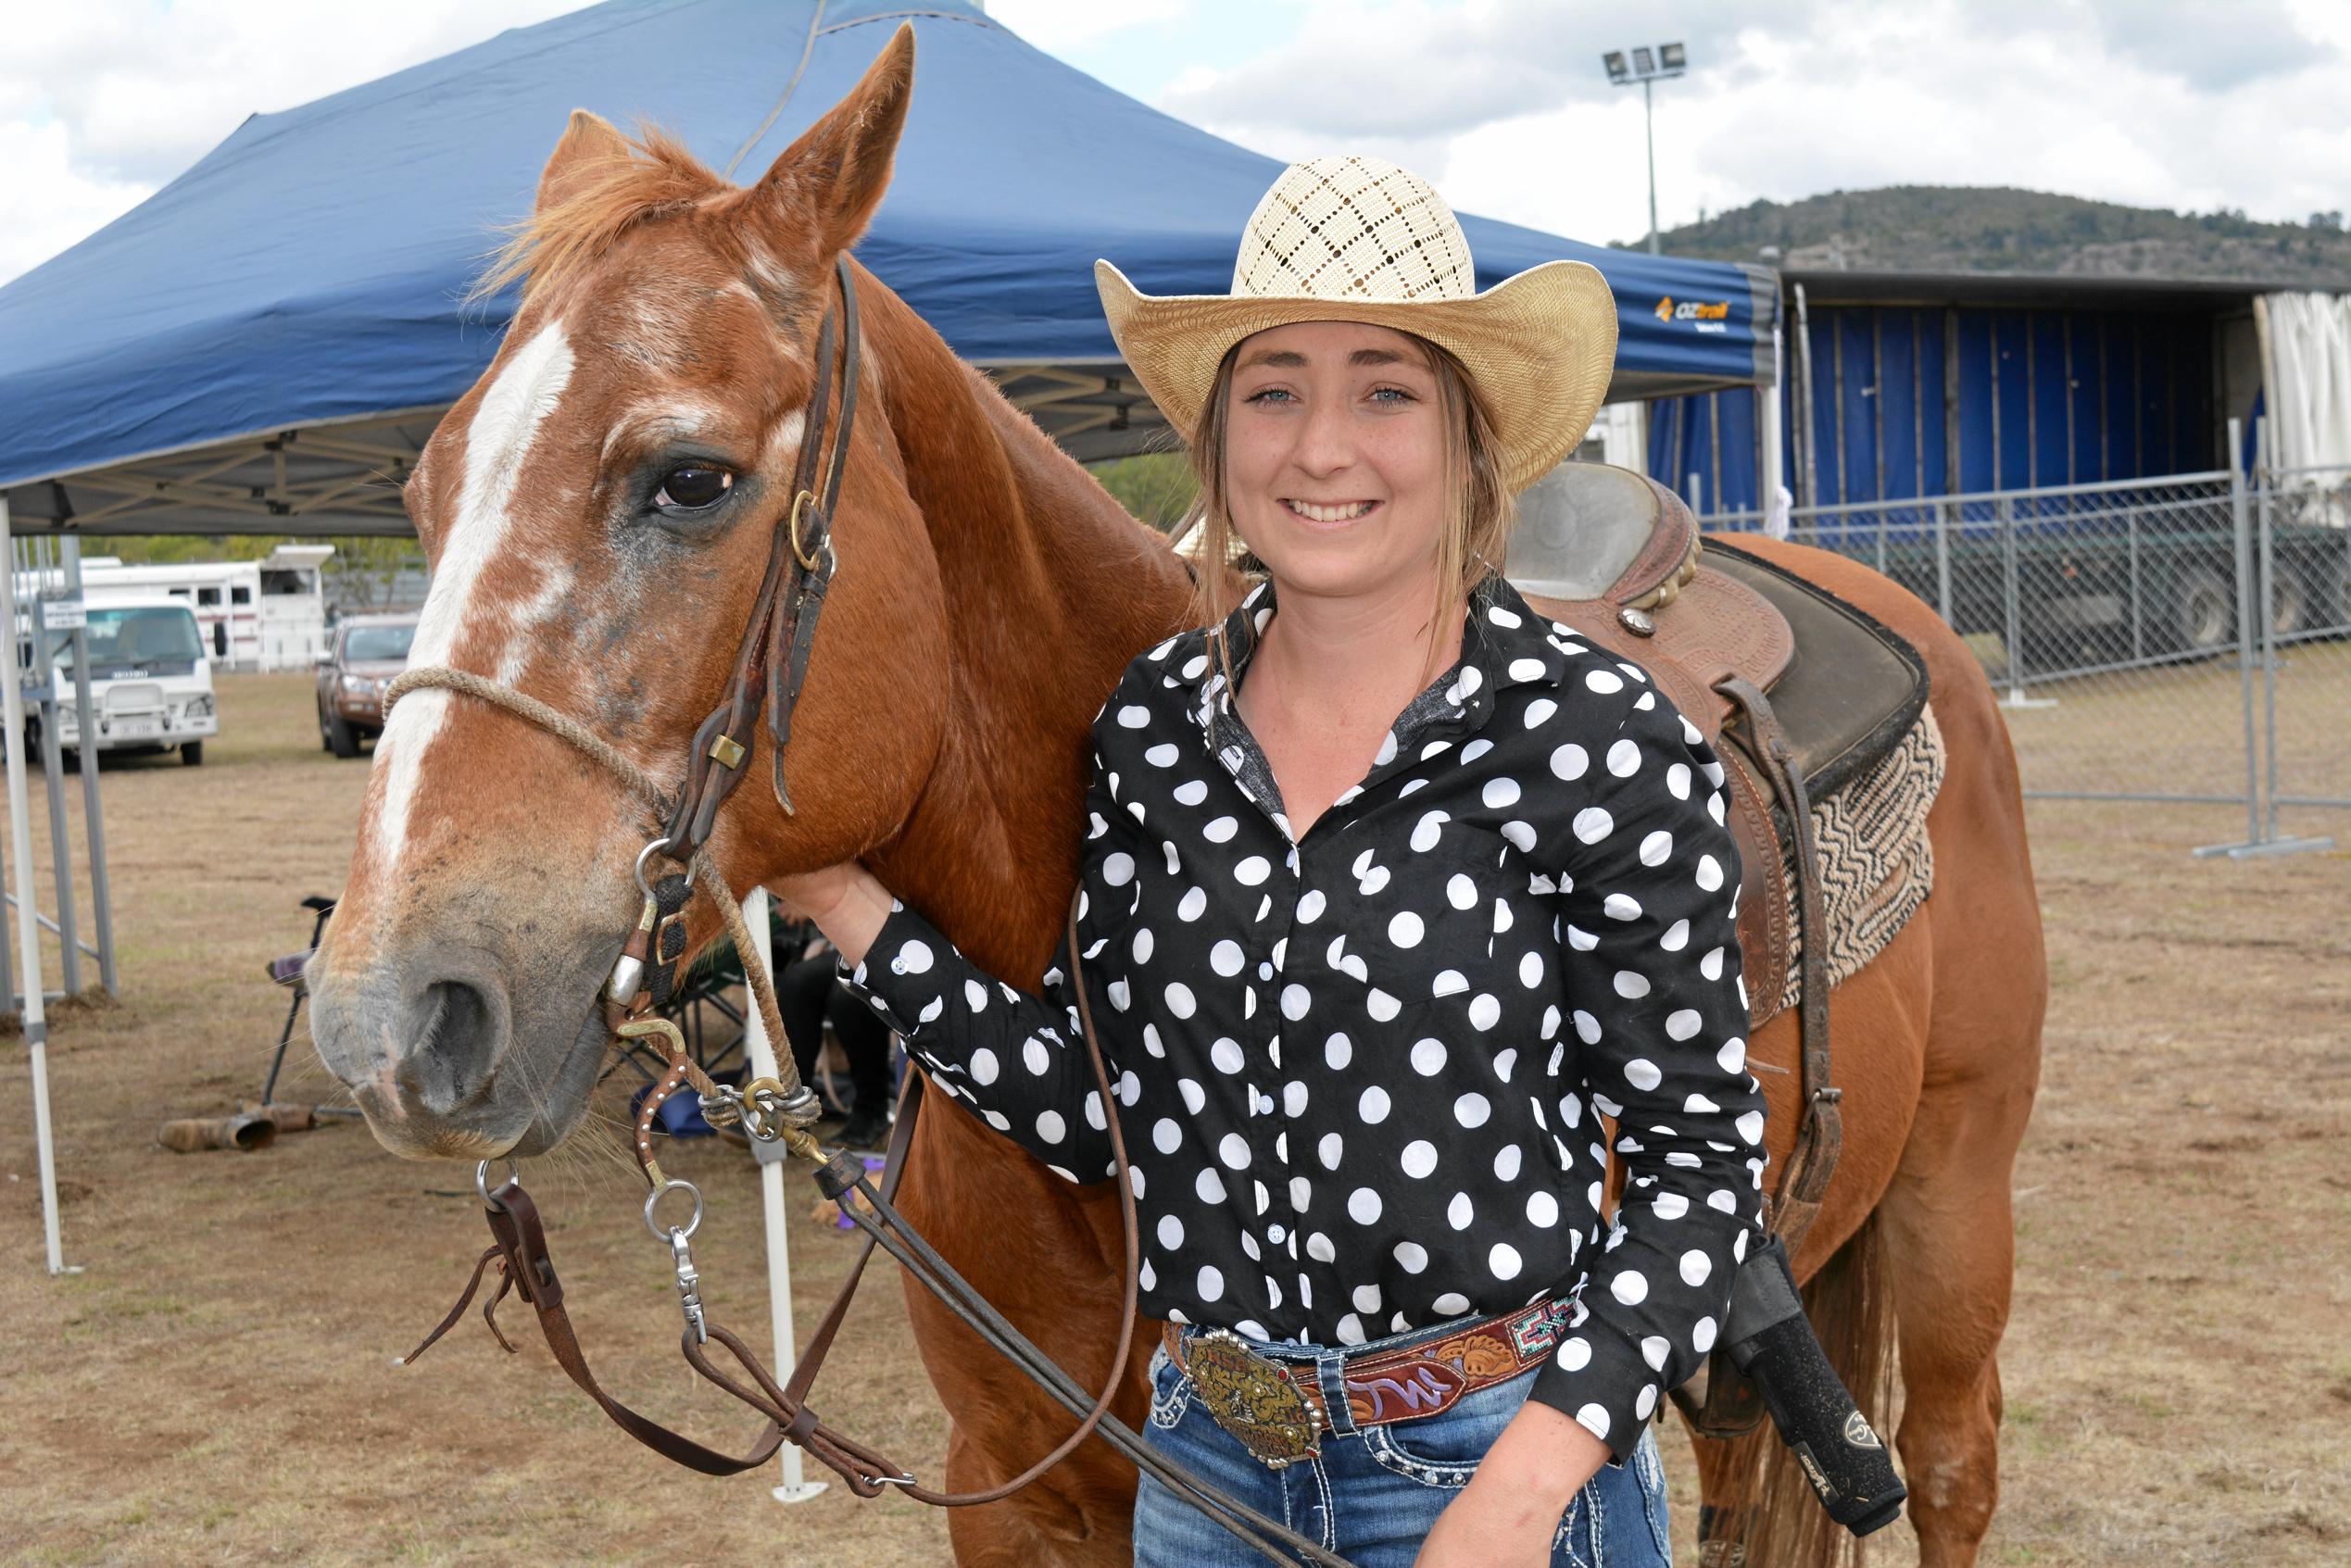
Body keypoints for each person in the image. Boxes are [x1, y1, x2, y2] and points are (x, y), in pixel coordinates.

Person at [775, 156, 1765, 1568]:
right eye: (1273, 389)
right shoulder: (1152, 729)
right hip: (1204, 1468)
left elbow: (1698, 1166)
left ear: (1467, 437)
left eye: (1384, 390)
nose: (1319, 449)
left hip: (1494, 1457)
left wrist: (1526, 1488)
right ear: (1220, 436)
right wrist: (840, 899)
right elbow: (1103, 1115)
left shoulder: (1590, 737)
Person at [772, 917, 896, 1152]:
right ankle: (795, 1109)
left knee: (848, 999)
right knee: (797, 983)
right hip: (852, 941)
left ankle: (872, 1111)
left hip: (898, 945)